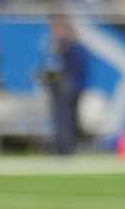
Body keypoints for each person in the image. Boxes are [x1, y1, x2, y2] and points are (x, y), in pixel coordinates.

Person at [37, 16, 88, 153]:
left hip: (67, 87)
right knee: (64, 118)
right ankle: (64, 146)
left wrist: (49, 76)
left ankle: (65, 147)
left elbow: (65, 70)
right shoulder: (65, 46)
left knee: (64, 118)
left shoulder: (69, 46)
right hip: (66, 86)